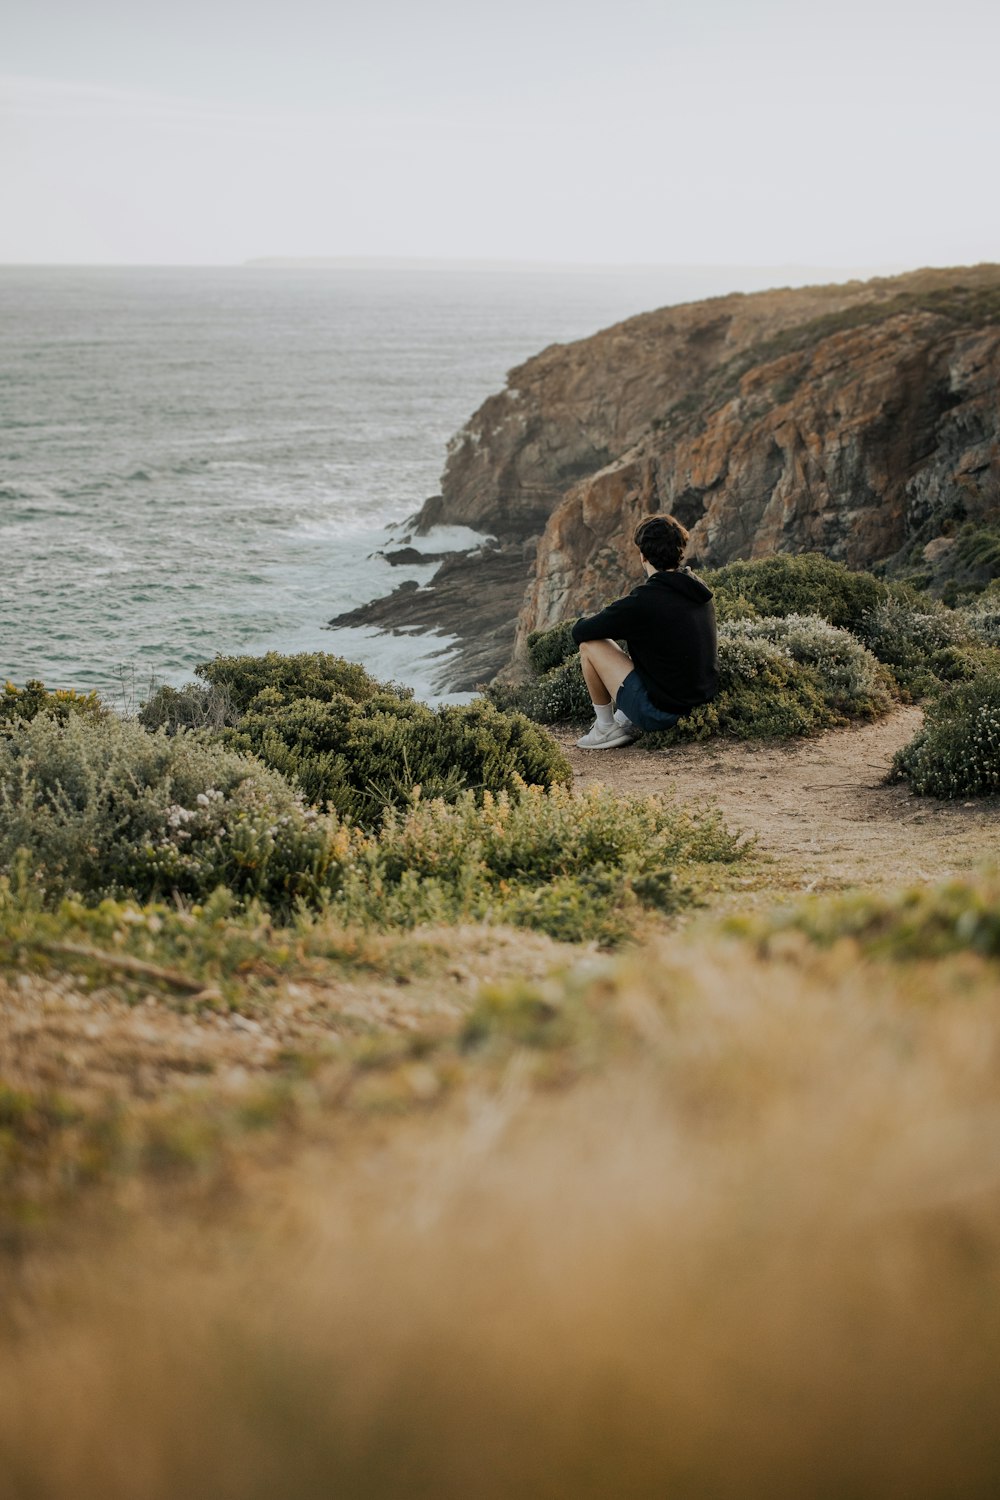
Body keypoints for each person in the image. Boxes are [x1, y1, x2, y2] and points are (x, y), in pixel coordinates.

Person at [571, 513, 718, 749]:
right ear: (679, 551)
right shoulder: (697, 589)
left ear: (643, 556)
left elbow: (581, 632)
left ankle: (606, 728)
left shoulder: (644, 601)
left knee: (590, 646)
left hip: (662, 714)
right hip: (699, 704)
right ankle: (625, 716)